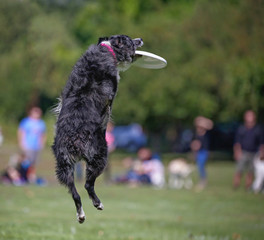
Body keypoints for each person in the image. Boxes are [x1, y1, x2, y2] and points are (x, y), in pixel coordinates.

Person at [233, 110, 264, 190]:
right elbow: (237, 142)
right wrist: (237, 152)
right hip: (243, 152)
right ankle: (236, 185)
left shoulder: (258, 129)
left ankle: (248, 187)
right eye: (247, 116)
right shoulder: (242, 128)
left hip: (254, 153)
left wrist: (262, 153)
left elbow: (261, 143)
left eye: (251, 116)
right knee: (239, 170)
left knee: (251, 171)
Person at [190, 116, 213, 190]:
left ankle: (203, 181)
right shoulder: (196, 134)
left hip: (204, 151)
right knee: (200, 166)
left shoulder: (206, 132)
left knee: (201, 166)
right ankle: (202, 180)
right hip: (198, 152)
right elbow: (194, 144)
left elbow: (210, 124)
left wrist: (203, 120)